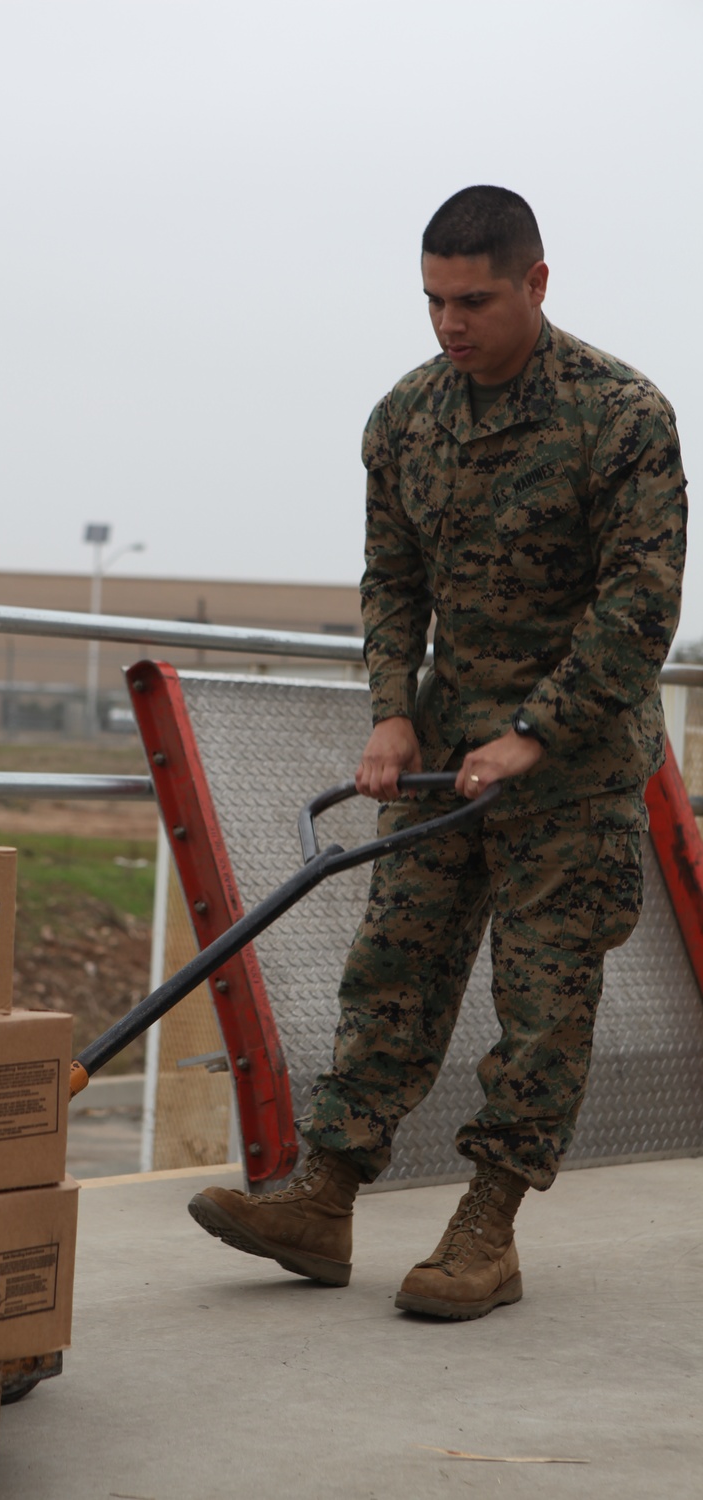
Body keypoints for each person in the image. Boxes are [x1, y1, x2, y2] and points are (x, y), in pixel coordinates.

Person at [188, 185, 688, 1319]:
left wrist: (531, 735)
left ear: (535, 284)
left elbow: (638, 604)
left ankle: (487, 1229)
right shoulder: (404, 419)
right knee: (392, 970)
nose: (450, 323)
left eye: (473, 299)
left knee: (541, 1000)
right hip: (440, 750)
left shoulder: (620, 415)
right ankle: (322, 1198)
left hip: (573, 766)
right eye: (432, 300)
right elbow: (391, 581)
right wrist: (388, 710)